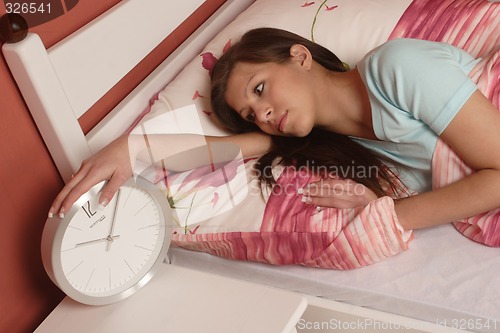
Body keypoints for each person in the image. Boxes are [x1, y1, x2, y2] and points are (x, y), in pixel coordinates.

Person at [49, 28, 500, 233]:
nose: (262, 113)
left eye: (260, 89)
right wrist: (133, 148)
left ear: (299, 56)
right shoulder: (329, 145)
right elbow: (218, 150)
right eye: (251, 113)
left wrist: (389, 214)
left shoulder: (395, 68)